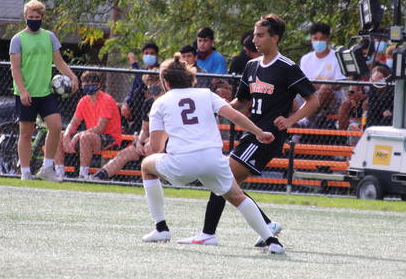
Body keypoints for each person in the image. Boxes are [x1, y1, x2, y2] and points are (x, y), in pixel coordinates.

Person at [178, 14, 320, 247]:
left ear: (275, 38)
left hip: (267, 137)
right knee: (226, 182)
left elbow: (313, 100)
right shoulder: (251, 66)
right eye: (254, 34)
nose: (255, 39)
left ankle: (209, 233)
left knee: (222, 177)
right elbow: (241, 103)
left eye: (260, 35)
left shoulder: (287, 67)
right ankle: (266, 226)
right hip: (251, 134)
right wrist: (214, 109)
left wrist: (290, 120)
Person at [139, 55, 286, 254]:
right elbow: (234, 115)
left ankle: (161, 228)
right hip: (213, 159)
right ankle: (272, 241)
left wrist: (154, 140)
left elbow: (156, 148)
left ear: (165, 81)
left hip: (182, 163)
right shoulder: (206, 94)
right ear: (191, 79)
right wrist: (259, 133)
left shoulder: (160, 103)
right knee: (237, 196)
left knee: (147, 166)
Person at [9, 0, 79, 181]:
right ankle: (25, 173)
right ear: (25, 17)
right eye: (30, 16)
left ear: (42, 18)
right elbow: (15, 68)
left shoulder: (49, 37)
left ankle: (47, 168)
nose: (33, 19)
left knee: (55, 126)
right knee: (26, 133)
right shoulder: (18, 39)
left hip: (46, 92)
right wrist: (23, 91)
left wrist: (72, 76)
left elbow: (59, 61)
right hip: (26, 94)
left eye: (37, 17)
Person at [93, 72, 162, 181]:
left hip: (165, 142)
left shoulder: (167, 102)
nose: (153, 86)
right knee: (125, 153)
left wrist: (153, 139)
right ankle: (99, 177)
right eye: (150, 83)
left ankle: (152, 182)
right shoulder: (148, 103)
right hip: (149, 140)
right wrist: (139, 142)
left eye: (156, 82)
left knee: (149, 148)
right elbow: (144, 130)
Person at [54, 71, 122, 180]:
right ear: (82, 85)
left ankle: (83, 175)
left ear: (99, 85)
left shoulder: (106, 100)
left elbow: (100, 128)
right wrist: (67, 134)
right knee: (58, 135)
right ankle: (59, 173)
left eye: (92, 83)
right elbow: (74, 122)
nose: (89, 85)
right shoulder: (83, 101)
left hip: (110, 138)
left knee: (85, 137)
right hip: (90, 136)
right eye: (86, 82)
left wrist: (77, 136)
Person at [298, 22, 346, 129]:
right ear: (311, 39)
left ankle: (304, 121)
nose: (318, 41)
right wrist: (322, 84)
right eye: (315, 38)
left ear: (328, 39)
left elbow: (338, 85)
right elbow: (304, 84)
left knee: (325, 89)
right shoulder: (306, 59)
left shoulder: (337, 57)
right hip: (309, 97)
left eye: (322, 38)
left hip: (333, 100)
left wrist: (318, 85)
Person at [122, 42, 160, 124]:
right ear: (142, 55)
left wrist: (135, 65)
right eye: (146, 53)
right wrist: (125, 103)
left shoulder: (161, 70)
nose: (149, 56)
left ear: (157, 56)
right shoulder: (142, 71)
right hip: (140, 107)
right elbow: (132, 91)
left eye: (152, 53)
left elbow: (143, 81)